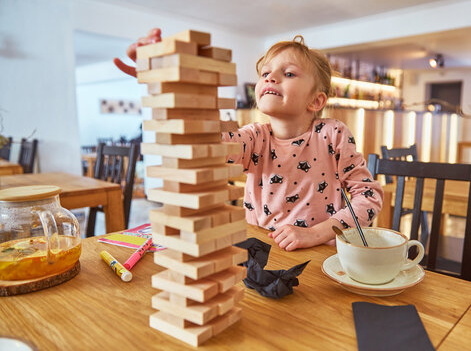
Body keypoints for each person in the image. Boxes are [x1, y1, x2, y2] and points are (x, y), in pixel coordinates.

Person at [115, 29, 383, 251]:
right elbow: (203, 143)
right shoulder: (255, 137)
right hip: (261, 249)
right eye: (265, 73)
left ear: (316, 100)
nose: (270, 77)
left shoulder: (332, 134)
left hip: (320, 255)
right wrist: (168, 85)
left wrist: (315, 234)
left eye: (288, 73)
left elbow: (369, 196)